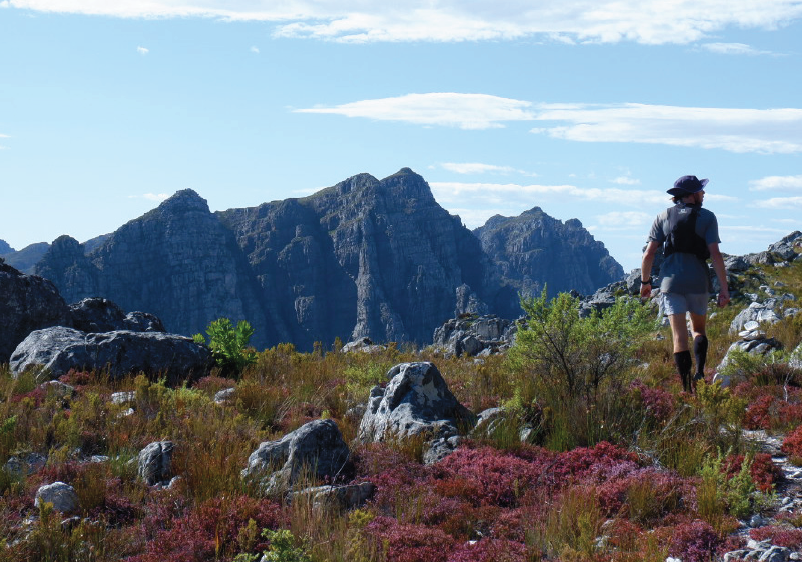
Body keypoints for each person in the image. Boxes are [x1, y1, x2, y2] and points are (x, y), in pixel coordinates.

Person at [640, 175, 730, 392]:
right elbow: (715, 255)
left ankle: (686, 388)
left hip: (671, 283)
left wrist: (645, 282)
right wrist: (723, 289)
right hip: (698, 280)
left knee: (679, 337)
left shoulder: (662, 216)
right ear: (692, 194)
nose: (704, 194)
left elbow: (649, 253)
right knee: (698, 330)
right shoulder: (707, 217)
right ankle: (700, 371)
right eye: (701, 191)